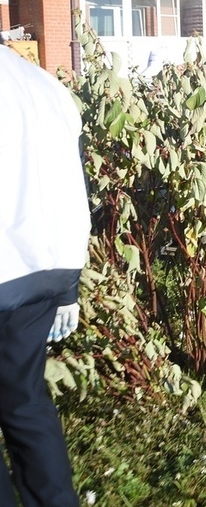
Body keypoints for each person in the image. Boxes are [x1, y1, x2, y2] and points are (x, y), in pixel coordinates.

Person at [0, 44, 90, 506]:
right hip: (45, 266)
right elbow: (72, 183)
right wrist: (69, 285)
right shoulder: (44, 84)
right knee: (24, 401)